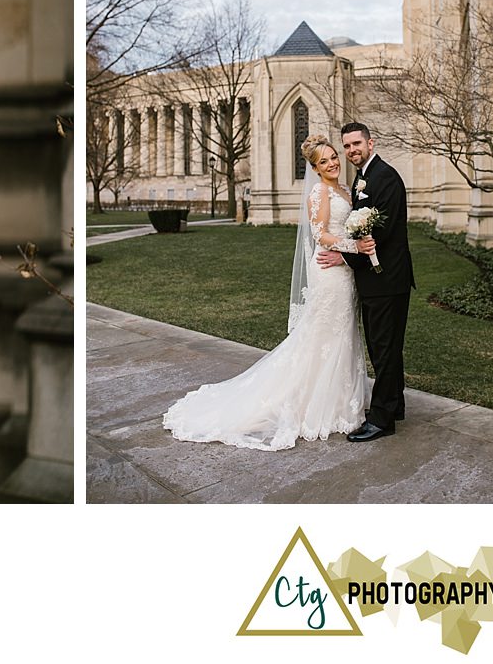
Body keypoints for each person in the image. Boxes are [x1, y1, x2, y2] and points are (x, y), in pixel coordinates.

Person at [162, 135, 372, 450]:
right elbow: (321, 235)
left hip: (344, 272)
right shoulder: (320, 192)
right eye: (324, 161)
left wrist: (356, 241)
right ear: (315, 168)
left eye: (333, 157)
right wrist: (353, 245)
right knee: (326, 335)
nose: (332, 163)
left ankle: (342, 398)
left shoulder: (345, 189)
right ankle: (318, 405)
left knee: (341, 334)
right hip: (329, 272)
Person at [316, 122, 414, 442]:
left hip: (386, 278)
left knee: (383, 349)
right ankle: (394, 404)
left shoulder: (384, 178)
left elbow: (379, 235)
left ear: (370, 142)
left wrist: (344, 257)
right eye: (346, 146)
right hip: (378, 279)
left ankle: (382, 419)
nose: (351, 150)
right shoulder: (363, 177)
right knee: (386, 347)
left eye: (356, 143)